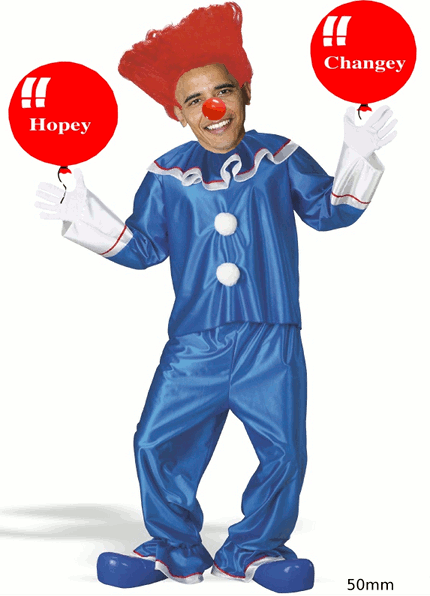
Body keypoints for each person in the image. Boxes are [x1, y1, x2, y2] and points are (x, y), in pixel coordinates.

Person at [35, 3, 397, 593]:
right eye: (194, 100)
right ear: (178, 114)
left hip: (269, 335)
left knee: (284, 448)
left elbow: (331, 212)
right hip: (195, 340)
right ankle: (173, 549)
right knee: (155, 440)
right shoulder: (166, 174)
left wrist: (355, 154)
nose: (213, 107)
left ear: (245, 93)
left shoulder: (278, 156)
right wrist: (86, 215)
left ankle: (254, 550)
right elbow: (144, 247)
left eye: (223, 90)